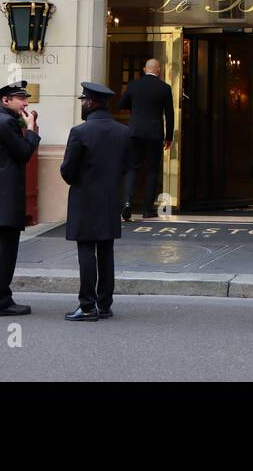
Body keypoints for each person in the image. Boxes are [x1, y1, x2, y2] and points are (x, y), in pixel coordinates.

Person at [60, 82, 130, 322]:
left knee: (86, 251)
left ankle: (87, 305)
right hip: (110, 198)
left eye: (83, 100)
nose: (81, 104)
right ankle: (105, 304)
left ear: (90, 103)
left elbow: (67, 171)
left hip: (85, 198)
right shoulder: (122, 131)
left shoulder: (80, 132)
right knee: (106, 251)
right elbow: (129, 166)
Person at [0, 81, 40, 316]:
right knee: (4, 250)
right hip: (5, 199)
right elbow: (23, 153)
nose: (25, 103)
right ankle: (1, 302)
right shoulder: (6, 122)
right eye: (21, 98)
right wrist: (31, 129)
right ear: (6, 101)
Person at [118, 58, 174, 221]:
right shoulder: (164, 88)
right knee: (152, 171)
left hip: (134, 131)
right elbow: (169, 114)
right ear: (159, 70)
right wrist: (169, 136)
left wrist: (136, 110)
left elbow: (122, 104)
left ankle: (127, 202)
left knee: (132, 168)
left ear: (144, 69)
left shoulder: (134, 85)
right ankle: (148, 210)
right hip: (154, 134)